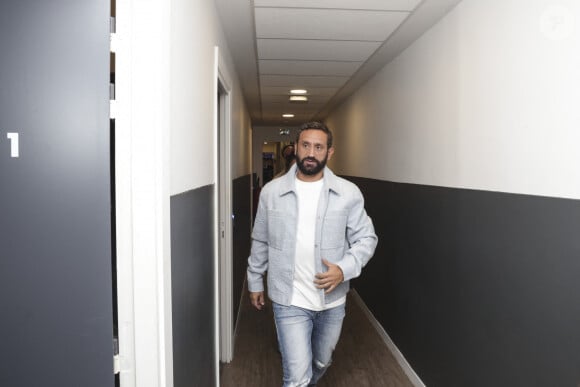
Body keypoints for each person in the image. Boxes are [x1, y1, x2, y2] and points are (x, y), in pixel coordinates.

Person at [247, 121, 378, 386]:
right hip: (289, 298)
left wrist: (344, 269)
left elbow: (367, 238)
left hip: (332, 302)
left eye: (318, 147)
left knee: (321, 361)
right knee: (296, 377)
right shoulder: (272, 192)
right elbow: (260, 238)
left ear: (329, 152)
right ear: (295, 147)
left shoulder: (348, 193)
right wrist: (254, 279)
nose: (311, 152)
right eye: (305, 145)